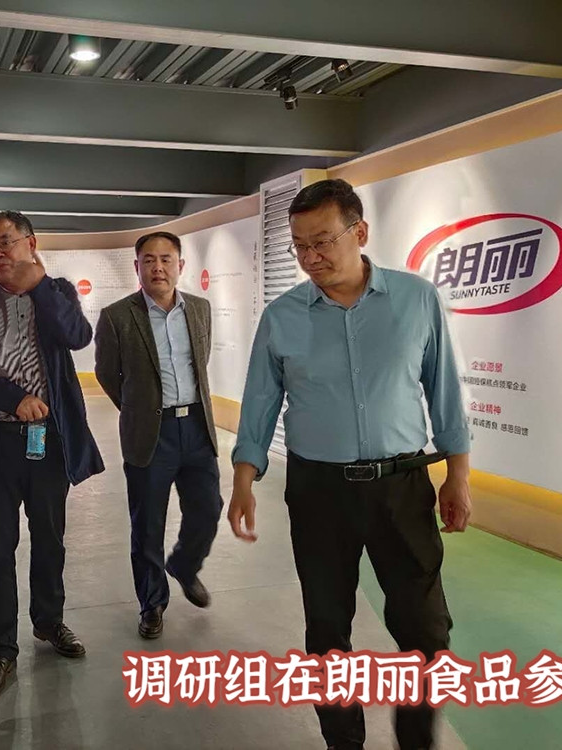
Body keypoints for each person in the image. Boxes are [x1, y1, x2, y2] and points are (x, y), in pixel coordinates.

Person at [227, 179, 472, 750]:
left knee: (426, 632)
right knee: (327, 631)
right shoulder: (283, 316)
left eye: (322, 241)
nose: (309, 257)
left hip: (402, 486)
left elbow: (445, 394)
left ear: (359, 232)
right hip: (319, 491)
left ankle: (417, 741)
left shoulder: (416, 299)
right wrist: (243, 479)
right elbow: (260, 402)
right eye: (299, 245)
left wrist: (457, 476)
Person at [0, 210, 104, 701]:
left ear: (31, 244)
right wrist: (12, 398)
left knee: (50, 540)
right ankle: (0, 650)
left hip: (48, 443)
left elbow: (78, 337)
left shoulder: (57, 292)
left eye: (6, 242)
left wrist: (40, 287)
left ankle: (49, 621)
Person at [94, 231, 222, 638]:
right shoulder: (117, 316)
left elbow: (200, 362)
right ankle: (152, 603)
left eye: (166, 259)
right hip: (151, 433)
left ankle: (184, 564)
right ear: (137, 267)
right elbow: (106, 373)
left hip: (197, 427)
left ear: (180, 265)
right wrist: (139, 410)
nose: (158, 267)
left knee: (208, 508)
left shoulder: (199, 309)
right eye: (148, 260)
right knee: (148, 524)